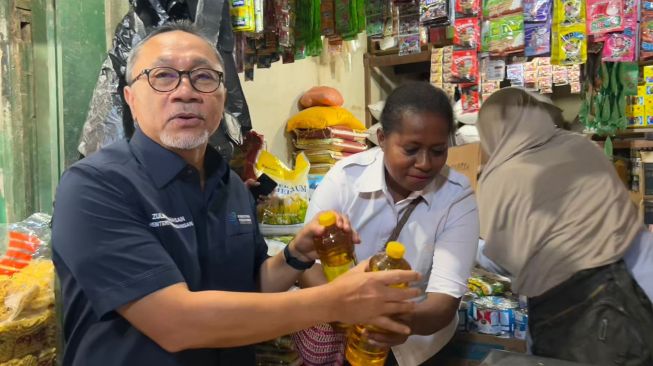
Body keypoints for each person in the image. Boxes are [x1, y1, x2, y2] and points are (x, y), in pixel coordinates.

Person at [51, 21, 421, 366]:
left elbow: (252, 287)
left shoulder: (229, 185)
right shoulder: (95, 187)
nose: (186, 92)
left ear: (223, 96)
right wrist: (335, 301)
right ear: (130, 97)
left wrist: (294, 256)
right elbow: (175, 322)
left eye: (203, 78)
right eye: (163, 76)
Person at [300, 82, 479, 366]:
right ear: (382, 138)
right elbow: (308, 265)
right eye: (411, 149)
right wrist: (346, 309)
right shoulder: (345, 179)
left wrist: (395, 321)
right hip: (350, 339)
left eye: (437, 151)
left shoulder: (456, 197)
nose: (424, 163)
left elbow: (443, 303)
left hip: (420, 346)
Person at [475, 87, 653, 365]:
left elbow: (504, 258)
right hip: (636, 282)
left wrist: (460, 244)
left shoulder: (509, 174)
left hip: (587, 309)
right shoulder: (581, 147)